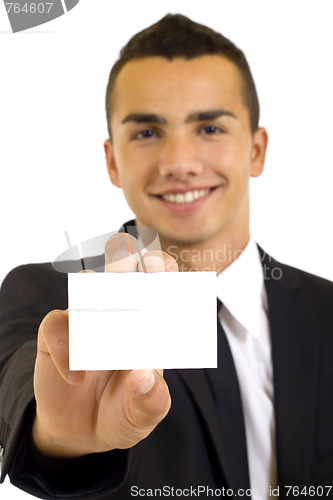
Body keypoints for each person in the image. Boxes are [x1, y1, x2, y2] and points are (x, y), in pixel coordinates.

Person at [0, 13, 333, 500]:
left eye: (211, 128)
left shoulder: (327, 312)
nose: (179, 162)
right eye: (148, 133)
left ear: (256, 151)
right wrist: (58, 441)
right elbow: (23, 386)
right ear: (113, 160)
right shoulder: (52, 295)